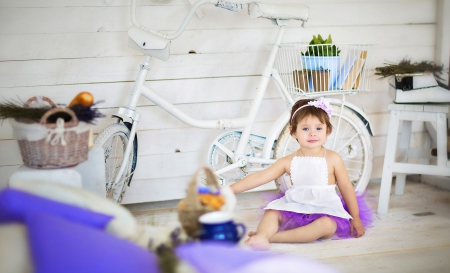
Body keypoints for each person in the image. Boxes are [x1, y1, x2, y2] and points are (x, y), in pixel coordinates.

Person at [230, 97, 373, 250]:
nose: (312, 133)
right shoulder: (288, 161)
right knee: (272, 212)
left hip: (325, 209)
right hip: (296, 206)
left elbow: (346, 187)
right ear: (293, 132)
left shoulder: (333, 158)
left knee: (326, 225)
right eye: (305, 129)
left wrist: (355, 217)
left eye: (318, 128)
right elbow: (259, 177)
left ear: (328, 130)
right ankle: (263, 235)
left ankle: (271, 237)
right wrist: (230, 190)